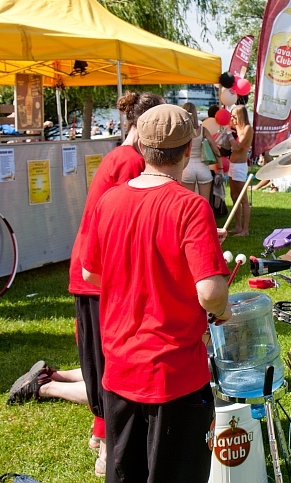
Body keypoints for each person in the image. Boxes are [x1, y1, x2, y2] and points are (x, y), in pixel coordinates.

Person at [82, 104, 232, 483]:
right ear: (186, 151)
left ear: (141, 148)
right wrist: (223, 311)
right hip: (173, 373)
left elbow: (90, 270)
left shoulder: (109, 200)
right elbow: (211, 292)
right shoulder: (190, 206)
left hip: (120, 368)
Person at [19, 91, 164, 476]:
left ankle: (73, 403)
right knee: (112, 369)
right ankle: (104, 444)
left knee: (105, 362)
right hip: (99, 276)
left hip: (97, 272)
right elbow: (134, 224)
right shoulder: (130, 161)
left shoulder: (124, 156)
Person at [181, 102, 221, 204]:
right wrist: (220, 167)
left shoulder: (181, 130)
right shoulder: (203, 130)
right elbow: (215, 149)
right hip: (202, 167)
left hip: (187, 168)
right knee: (205, 203)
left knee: (188, 203)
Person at [228, 105, 254, 236]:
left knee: (242, 198)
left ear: (241, 116)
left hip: (239, 166)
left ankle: (245, 229)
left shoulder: (247, 129)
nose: (232, 119)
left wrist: (229, 135)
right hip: (232, 165)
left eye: (234, 116)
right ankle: (237, 226)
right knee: (233, 196)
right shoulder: (235, 129)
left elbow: (238, 146)